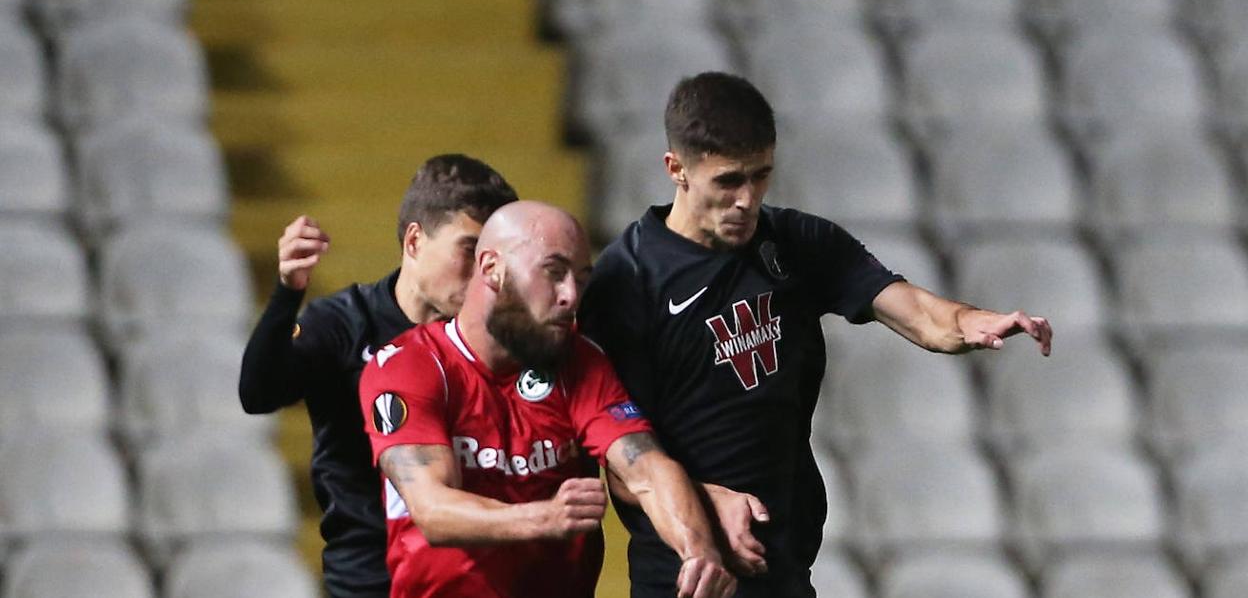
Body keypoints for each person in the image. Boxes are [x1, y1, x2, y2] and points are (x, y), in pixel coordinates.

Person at [577, 72, 1054, 598]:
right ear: (677, 170)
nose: (747, 200)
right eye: (729, 181)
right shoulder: (627, 283)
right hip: (687, 579)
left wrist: (972, 322)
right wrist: (706, 503)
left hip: (784, 566)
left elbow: (916, 310)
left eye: (761, 177)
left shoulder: (797, 243)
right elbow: (622, 463)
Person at [358, 200, 737, 598]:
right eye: (554, 273)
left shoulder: (580, 362)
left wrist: (699, 551)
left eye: (581, 279)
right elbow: (432, 510)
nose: (571, 296)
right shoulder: (410, 366)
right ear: (491, 268)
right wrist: (545, 517)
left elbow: (645, 468)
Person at [238, 154, 518, 598]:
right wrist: (287, 292)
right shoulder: (345, 324)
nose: (487, 273)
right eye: (470, 250)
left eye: (495, 257)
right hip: (371, 583)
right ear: (414, 241)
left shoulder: (499, 339)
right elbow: (258, 393)